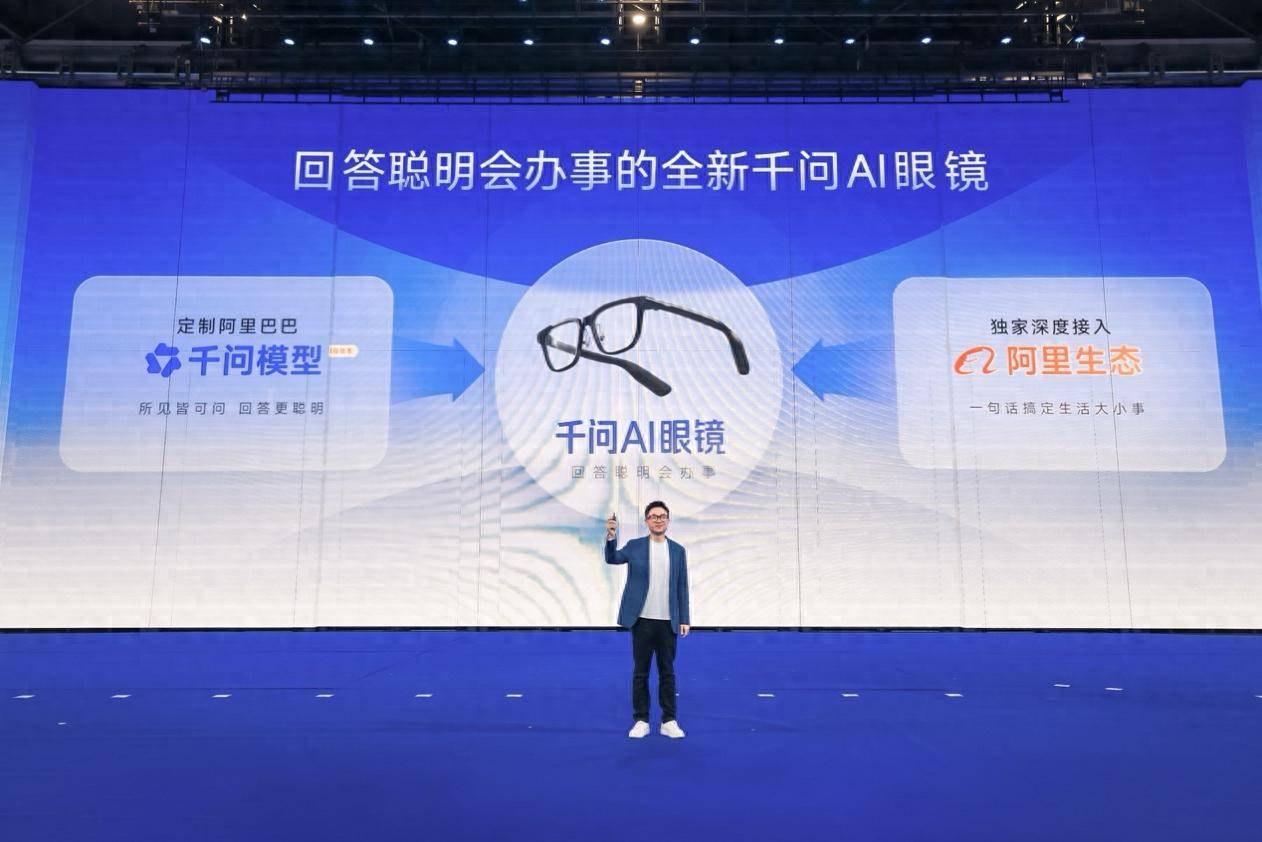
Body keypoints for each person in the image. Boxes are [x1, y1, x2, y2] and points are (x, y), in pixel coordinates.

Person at [604, 500, 691, 739]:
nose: (658, 520)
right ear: (646, 521)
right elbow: (612, 558)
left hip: (668, 621)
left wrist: (684, 617)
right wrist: (611, 537)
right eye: (653, 516)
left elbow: (682, 586)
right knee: (640, 673)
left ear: (668, 520)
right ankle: (641, 720)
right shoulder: (635, 546)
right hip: (641, 620)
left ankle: (669, 721)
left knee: (667, 673)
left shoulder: (678, 550)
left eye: (662, 516)